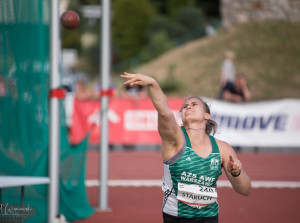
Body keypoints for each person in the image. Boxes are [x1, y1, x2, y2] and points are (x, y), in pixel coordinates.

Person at [121, 72, 252, 223]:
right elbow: (164, 112)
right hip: (176, 218)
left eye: (194, 104)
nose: (188, 107)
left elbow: (245, 190)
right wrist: (153, 84)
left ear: (206, 115)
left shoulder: (222, 149)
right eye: (185, 107)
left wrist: (237, 173)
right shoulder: (175, 139)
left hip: (209, 218)